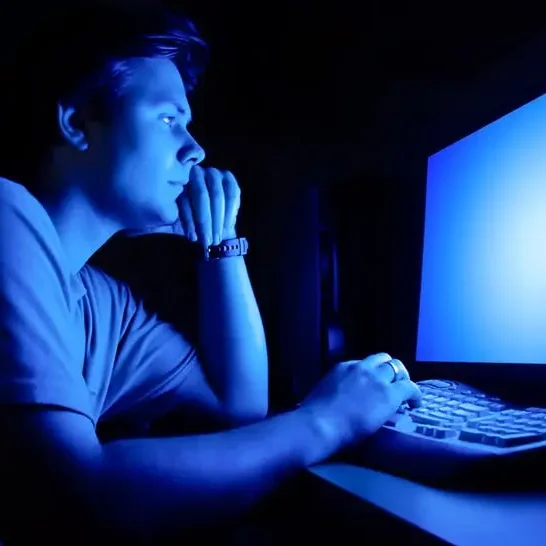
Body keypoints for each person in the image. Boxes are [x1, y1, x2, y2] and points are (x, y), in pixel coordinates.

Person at [0, 3, 422, 543]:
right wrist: (329, 420)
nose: (196, 150)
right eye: (169, 119)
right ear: (78, 120)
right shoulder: (7, 216)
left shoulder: (98, 302)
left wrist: (221, 243)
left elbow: (237, 407)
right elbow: (80, 494)